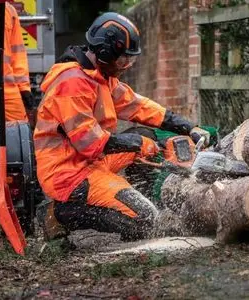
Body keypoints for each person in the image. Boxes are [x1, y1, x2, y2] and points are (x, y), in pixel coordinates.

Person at [35, 12, 210, 242]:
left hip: (91, 161)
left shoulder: (99, 77)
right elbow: (89, 142)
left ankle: (137, 197)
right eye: (123, 59)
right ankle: (59, 213)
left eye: (130, 59)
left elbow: (138, 106)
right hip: (68, 173)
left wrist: (188, 127)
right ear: (105, 52)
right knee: (146, 220)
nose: (126, 65)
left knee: (148, 138)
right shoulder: (72, 83)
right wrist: (137, 144)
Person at [0, 1, 34, 122]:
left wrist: (24, 88)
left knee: (21, 132)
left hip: (6, 89)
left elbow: (18, 54)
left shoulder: (9, 11)